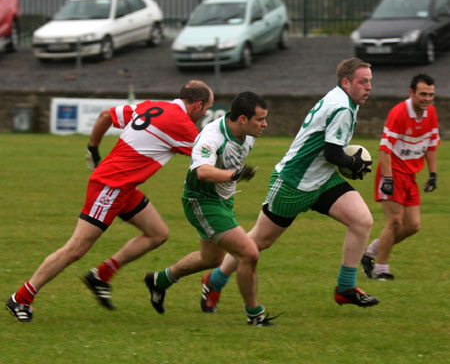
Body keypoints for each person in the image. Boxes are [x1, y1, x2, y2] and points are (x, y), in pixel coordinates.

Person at [5, 80, 214, 322]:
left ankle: (101, 275)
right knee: (76, 249)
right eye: (207, 108)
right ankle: (21, 298)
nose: (206, 114)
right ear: (198, 106)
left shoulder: (151, 106)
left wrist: (93, 148)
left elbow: (106, 115)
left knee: (157, 233)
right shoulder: (181, 123)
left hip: (123, 187)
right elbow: (207, 158)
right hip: (111, 187)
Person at [199, 57, 380, 314]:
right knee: (258, 242)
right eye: (363, 82)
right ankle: (214, 281)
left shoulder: (344, 99)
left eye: (370, 82)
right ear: (346, 82)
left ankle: (346, 288)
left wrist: (348, 162)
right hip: (293, 183)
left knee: (362, 221)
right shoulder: (342, 107)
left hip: (322, 179)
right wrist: (353, 162)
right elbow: (332, 154)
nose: (369, 87)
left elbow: (329, 154)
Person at [144, 91, 275, 326]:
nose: (265, 124)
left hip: (223, 199)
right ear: (243, 119)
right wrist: (235, 174)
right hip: (202, 201)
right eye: (260, 119)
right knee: (249, 253)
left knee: (210, 259)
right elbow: (202, 172)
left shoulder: (248, 134)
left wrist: (231, 179)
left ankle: (159, 280)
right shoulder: (212, 137)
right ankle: (255, 314)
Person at [361, 74, 440, 280]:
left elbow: (431, 146)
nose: (427, 99)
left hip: (410, 176)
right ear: (411, 93)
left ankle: (370, 251)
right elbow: (385, 149)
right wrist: (387, 179)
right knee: (395, 221)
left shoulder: (431, 113)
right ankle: (381, 270)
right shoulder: (399, 113)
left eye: (431, 95)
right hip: (392, 173)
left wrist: (432, 174)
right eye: (423, 94)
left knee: (413, 226)